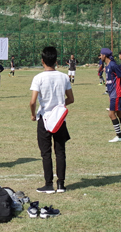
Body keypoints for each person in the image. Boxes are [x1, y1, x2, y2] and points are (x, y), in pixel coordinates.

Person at [29, 47, 74, 194]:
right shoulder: (64, 77)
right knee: (60, 151)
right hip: (60, 119)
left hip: (45, 118)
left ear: (42, 61)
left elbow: (33, 101)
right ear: (56, 61)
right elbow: (71, 99)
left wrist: (32, 114)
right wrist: (59, 106)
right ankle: (61, 184)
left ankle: (48, 184)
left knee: (46, 152)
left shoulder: (38, 78)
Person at [100, 48, 121, 143]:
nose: (100, 57)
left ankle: (119, 136)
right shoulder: (108, 65)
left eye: (101, 55)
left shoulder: (113, 65)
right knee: (119, 113)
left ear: (104, 56)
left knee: (111, 114)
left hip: (116, 93)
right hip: (112, 93)